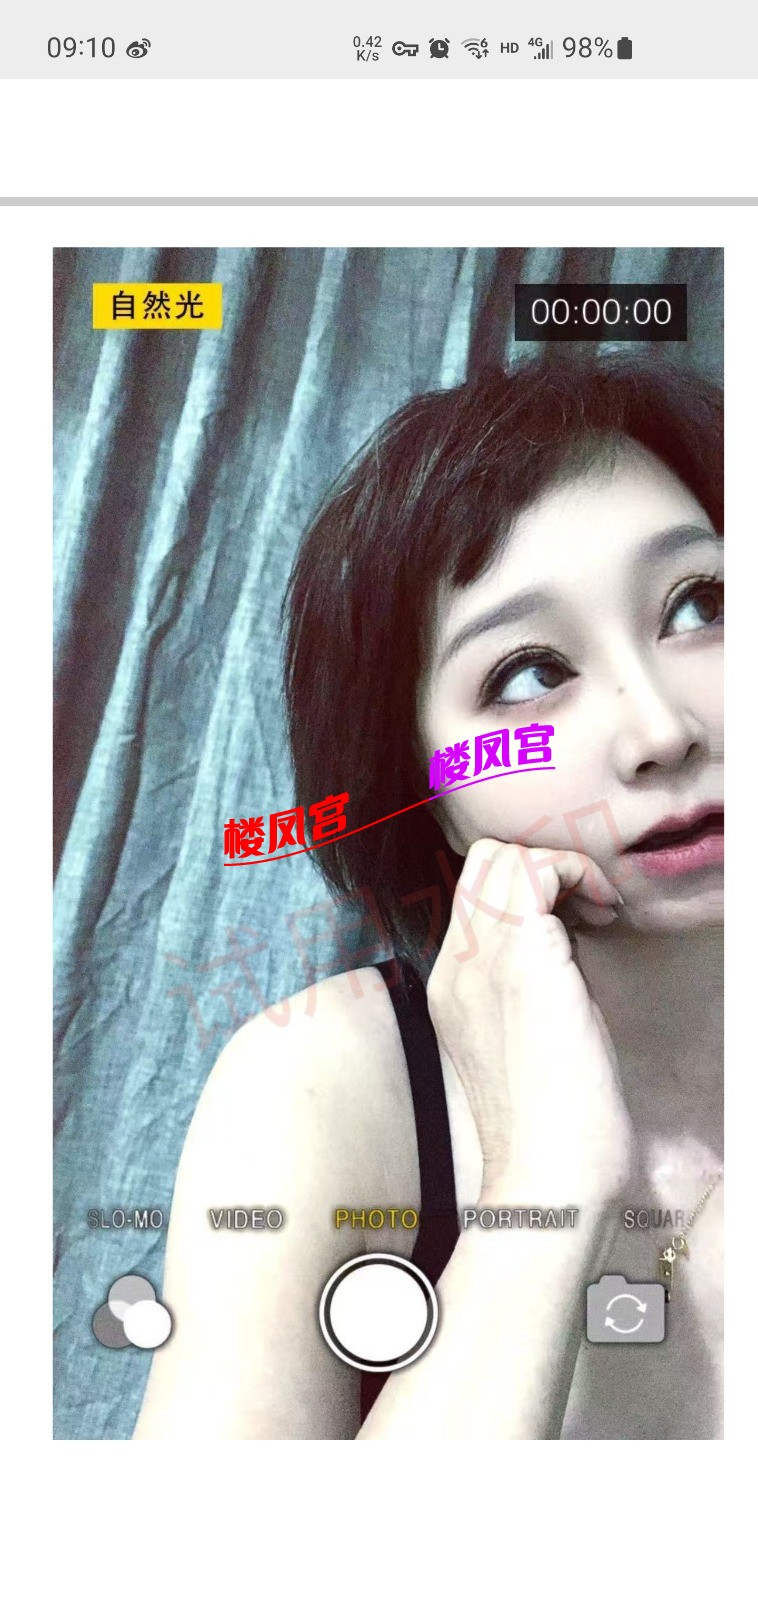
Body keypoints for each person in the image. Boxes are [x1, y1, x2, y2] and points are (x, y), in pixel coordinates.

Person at [133, 356, 723, 1439]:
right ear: (427, 800)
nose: (660, 731)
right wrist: (542, 1182)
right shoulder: (320, 1083)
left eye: (702, 605)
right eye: (530, 674)